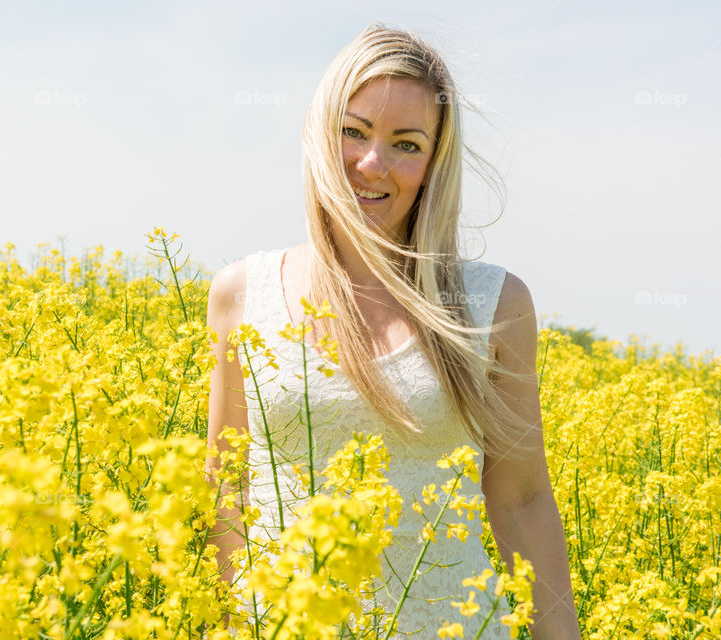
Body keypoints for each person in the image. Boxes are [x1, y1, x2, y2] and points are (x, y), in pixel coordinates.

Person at [204, 22, 581, 639]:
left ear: (434, 163)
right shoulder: (241, 295)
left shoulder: (495, 304)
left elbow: (521, 500)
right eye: (353, 132)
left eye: (406, 143)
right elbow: (226, 496)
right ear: (320, 135)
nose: (372, 164)